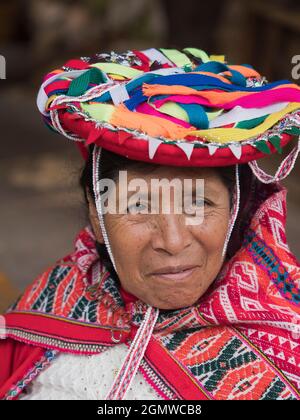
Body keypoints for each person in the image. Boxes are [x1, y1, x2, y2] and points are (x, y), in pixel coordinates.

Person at [0, 47, 299, 400]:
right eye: (138, 206)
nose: (172, 241)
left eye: (198, 203)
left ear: (236, 212)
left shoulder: (288, 341)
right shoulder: (46, 309)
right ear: (97, 219)